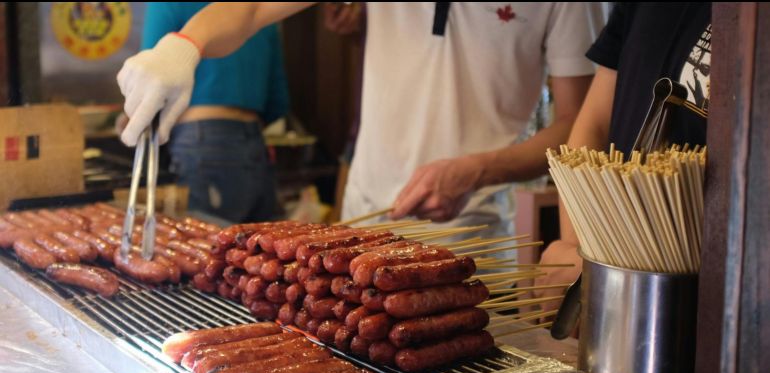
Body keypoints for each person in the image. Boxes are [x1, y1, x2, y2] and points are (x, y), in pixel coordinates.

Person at [117, 3, 605, 241]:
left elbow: (576, 125)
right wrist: (185, 44)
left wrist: (478, 170)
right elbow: (251, 8)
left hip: (469, 231)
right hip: (363, 220)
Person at [534, 3, 710, 310]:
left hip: (705, 308)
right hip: (615, 288)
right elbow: (594, 125)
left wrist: (605, 273)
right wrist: (581, 253)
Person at [135, 2, 290, 223]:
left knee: (207, 249)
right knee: (257, 252)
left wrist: (133, 116)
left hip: (200, 142)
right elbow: (279, 100)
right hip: (255, 141)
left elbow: (151, 81)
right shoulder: (263, 7)